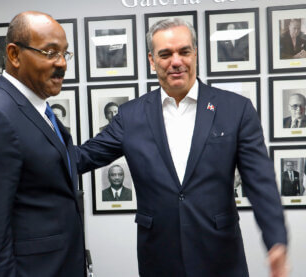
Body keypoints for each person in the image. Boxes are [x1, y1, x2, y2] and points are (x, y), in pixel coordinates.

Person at [76, 18, 288, 276]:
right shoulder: (130, 116)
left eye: (184, 52)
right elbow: (83, 157)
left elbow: (260, 181)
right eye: (165, 54)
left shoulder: (236, 109)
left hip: (220, 257)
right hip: (159, 258)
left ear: (195, 54)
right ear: (152, 61)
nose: (176, 61)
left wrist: (276, 239)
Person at [0, 11, 85, 276]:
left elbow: (58, 163)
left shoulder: (36, 109)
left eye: (65, 53)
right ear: (14, 55)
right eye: (50, 52)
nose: (61, 63)